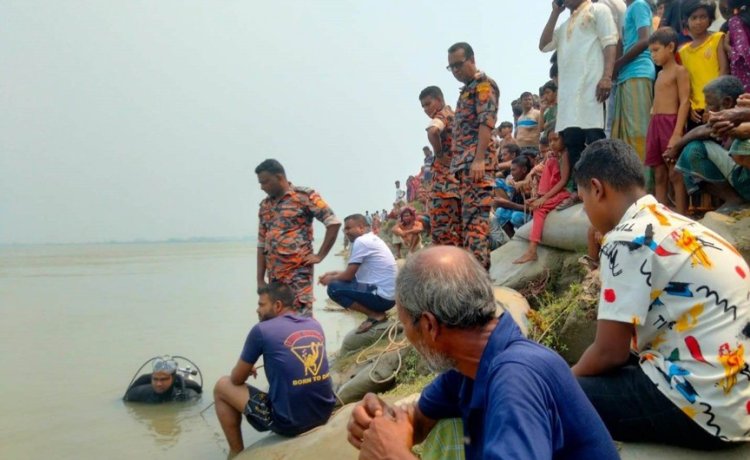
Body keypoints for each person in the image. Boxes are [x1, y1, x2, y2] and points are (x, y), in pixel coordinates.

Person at [346, 246, 619, 460]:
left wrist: (393, 455)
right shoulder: (469, 367)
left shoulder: (516, 377)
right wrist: (384, 421)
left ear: (429, 326)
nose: (408, 337)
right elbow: (419, 420)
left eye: (406, 326)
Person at [571, 138, 750, 449]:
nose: (586, 211)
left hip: (704, 407)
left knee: (550, 395)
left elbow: (609, 353)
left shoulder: (626, 238)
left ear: (597, 189)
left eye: (583, 199)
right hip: (738, 399)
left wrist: (562, 380)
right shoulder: (684, 225)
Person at [213, 283, 335, 456]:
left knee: (221, 386)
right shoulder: (314, 324)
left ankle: (236, 452)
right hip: (324, 413)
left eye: (262, 305)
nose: (257, 310)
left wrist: (244, 370)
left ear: (277, 306)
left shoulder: (261, 331)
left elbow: (236, 380)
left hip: (290, 423)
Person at [540, 0, 618, 210]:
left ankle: (605, 189)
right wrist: (555, 12)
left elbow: (610, 43)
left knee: (596, 140)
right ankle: (580, 191)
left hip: (592, 88)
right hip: (568, 96)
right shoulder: (564, 25)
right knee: (573, 143)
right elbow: (543, 45)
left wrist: (607, 77)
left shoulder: (598, 10)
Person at [255, 159, 341, 315]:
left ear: (279, 177)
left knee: (301, 317)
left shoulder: (304, 196)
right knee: (276, 318)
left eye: (265, 182)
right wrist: (260, 280)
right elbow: (261, 245)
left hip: (298, 275)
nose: (262, 187)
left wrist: (320, 255)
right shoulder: (265, 206)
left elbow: (333, 223)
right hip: (274, 278)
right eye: (260, 183)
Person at [446, 42, 499, 270]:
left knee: (476, 227)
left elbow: (486, 121)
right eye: (452, 67)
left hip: (477, 166)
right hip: (465, 168)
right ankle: (475, 283)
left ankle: (479, 286)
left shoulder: (483, 85)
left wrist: (478, 159)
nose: (456, 70)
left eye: (459, 64)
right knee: (469, 227)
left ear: (471, 59)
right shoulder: (467, 89)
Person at [668, 76, 747, 212]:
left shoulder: (738, 119)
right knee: (689, 153)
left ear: (727, 102)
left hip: (744, 179)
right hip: (740, 178)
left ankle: (733, 199)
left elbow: (704, 131)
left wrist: (676, 147)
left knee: (694, 149)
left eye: (710, 104)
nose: (706, 109)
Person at [319, 214, 397, 334]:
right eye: (345, 229)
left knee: (334, 288)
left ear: (361, 227)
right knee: (340, 281)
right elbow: (354, 273)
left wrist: (330, 279)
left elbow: (348, 276)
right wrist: (333, 273)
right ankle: (375, 313)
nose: (345, 232)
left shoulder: (361, 242)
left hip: (382, 297)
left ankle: (375, 315)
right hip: (388, 295)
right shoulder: (370, 239)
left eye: (348, 228)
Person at [646, 27, 691, 215]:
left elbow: (685, 102)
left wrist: (677, 133)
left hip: (670, 124)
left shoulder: (679, 71)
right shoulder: (660, 74)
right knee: (659, 174)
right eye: (651, 52)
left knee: (675, 173)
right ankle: (661, 217)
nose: (653, 55)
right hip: (655, 124)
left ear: (671, 46)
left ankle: (681, 216)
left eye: (656, 50)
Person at [514, 131, 572, 264]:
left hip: (564, 192)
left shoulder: (565, 155)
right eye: (550, 141)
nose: (552, 144)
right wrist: (540, 197)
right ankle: (531, 250)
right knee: (550, 161)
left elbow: (563, 181)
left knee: (538, 209)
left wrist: (544, 199)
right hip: (552, 191)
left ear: (564, 139)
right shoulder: (553, 156)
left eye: (555, 140)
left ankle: (532, 250)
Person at [612, 0, 656, 162]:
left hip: (638, 71)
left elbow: (645, 40)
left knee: (638, 133)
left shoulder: (639, 5)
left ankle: (644, 183)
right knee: (625, 136)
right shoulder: (628, 10)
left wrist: (617, 64)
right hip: (627, 74)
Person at [421, 87, 461, 248]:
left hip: (444, 188)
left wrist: (438, 154)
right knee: (456, 235)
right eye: (423, 107)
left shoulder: (442, 115)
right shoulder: (454, 115)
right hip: (456, 184)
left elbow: (432, 131)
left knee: (442, 237)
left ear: (439, 99)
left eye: (427, 104)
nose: (425, 109)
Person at [679, 0, 729, 129]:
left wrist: (715, 103)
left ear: (710, 19)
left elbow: (724, 70)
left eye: (703, 17)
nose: (698, 21)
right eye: (694, 18)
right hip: (696, 112)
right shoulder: (683, 52)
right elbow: (686, 84)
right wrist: (689, 107)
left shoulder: (717, 39)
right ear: (686, 20)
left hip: (717, 105)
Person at [123, 357, 202, 404]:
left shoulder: (189, 395)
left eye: (163, 379)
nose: (158, 384)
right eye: (155, 379)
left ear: (173, 378)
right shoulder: (137, 393)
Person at [494, 155, 533, 238]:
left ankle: (526, 238)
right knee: (500, 212)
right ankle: (513, 239)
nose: (511, 173)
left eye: (513, 170)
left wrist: (508, 204)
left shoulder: (531, 183)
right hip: (518, 210)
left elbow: (531, 209)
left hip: (530, 217)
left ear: (524, 170)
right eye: (510, 170)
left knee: (516, 217)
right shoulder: (516, 181)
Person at [516, 92, 542, 156]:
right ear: (521, 102)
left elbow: (542, 130)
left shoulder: (537, 114)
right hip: (520, 149)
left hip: (532, 149)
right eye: (525, 100)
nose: (528, 101)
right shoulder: (520, 118)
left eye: (530, 99)